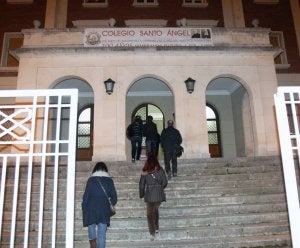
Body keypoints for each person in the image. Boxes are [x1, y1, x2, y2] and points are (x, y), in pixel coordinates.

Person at [82, 162, 118, 248]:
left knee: (91, 229)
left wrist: (84, 208)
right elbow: (114, 198)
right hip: (104, 210)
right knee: (102, 235)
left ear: (95, 170)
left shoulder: (91, 180)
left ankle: (93, 244)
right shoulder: (109, 181)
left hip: (91, 209)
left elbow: (86, 197)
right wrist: (108, 204)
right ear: (106, 170)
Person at [139, 153, 168, 241]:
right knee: (155, 210)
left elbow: (141, 185)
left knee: (149, 214)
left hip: (150, 194)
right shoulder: (160, 170)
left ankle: (152, 233)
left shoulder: (145, 171)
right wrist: (159, 188)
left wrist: (141, 194)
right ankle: (156, 228)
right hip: (159, 195)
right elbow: (165, 182)